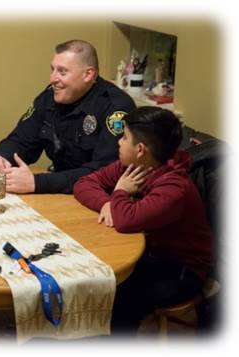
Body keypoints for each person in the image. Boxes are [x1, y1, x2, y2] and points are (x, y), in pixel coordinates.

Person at [73, 106, 213, 334]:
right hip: (150, 252)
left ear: (140, 149)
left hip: (181, 267)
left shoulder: (174, 188)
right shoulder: (132, 167)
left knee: (119, 297)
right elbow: (84, 183)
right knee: (93, 277)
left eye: (124, 137)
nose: (119, 142)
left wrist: (119, 193)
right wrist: (107, 203)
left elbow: (126, 221)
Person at [0, 39, 136, 194]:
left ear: (88, 74)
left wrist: (38, 183)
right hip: (60, 192)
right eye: (52, 69)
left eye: (62, 72)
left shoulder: (115, 108)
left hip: (99, 196)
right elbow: (21, 140)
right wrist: (3, 158)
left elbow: (104, 172)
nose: (53, 78)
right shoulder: (49, 98)